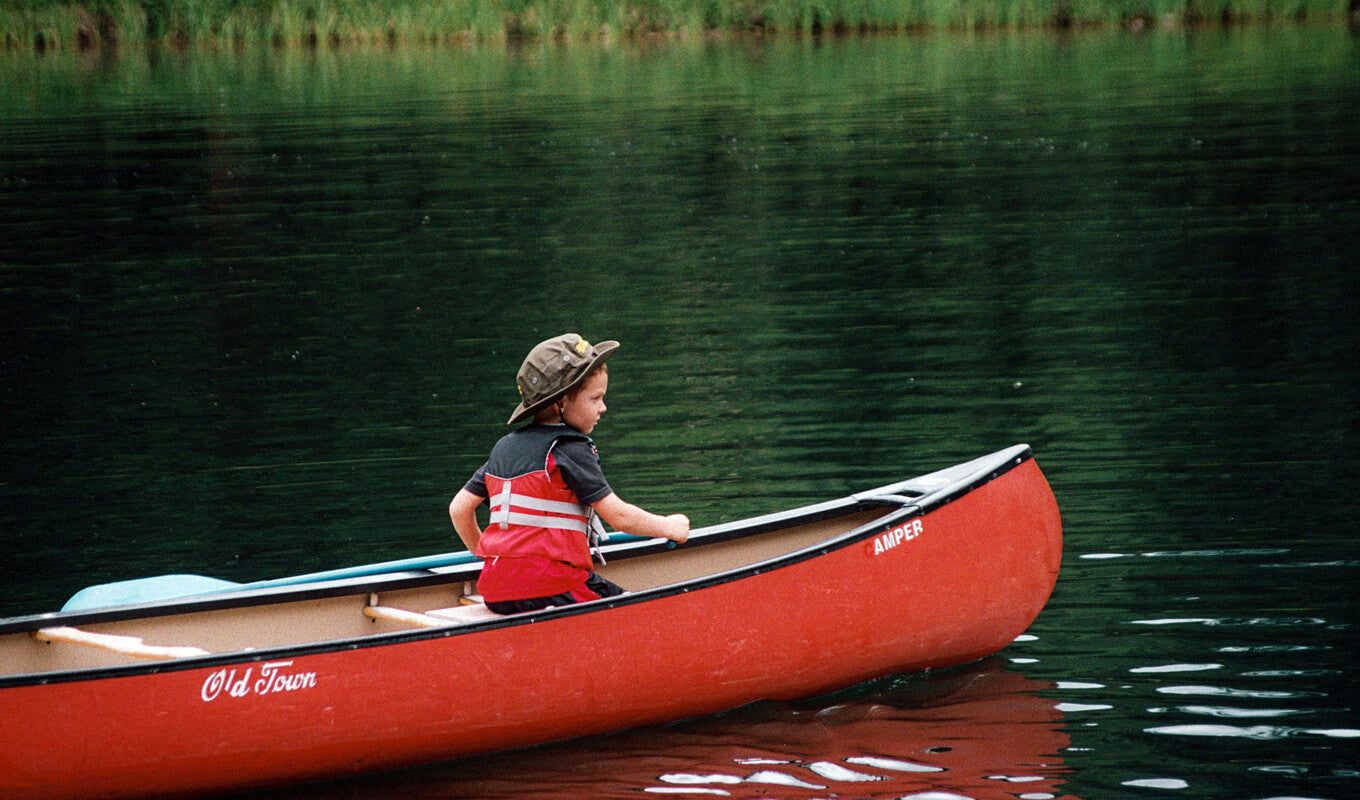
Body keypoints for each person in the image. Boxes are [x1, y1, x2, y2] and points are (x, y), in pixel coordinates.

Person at [448, 333, 689, 614]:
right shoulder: (570, 448)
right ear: (560, 402)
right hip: (554, 585)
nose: (603, 407)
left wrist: (493, 557)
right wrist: (671, 526)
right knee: (640, 614)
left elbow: (458, 509)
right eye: (596, 398)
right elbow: (619, 517)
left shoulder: (503, 449)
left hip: (495, 590)